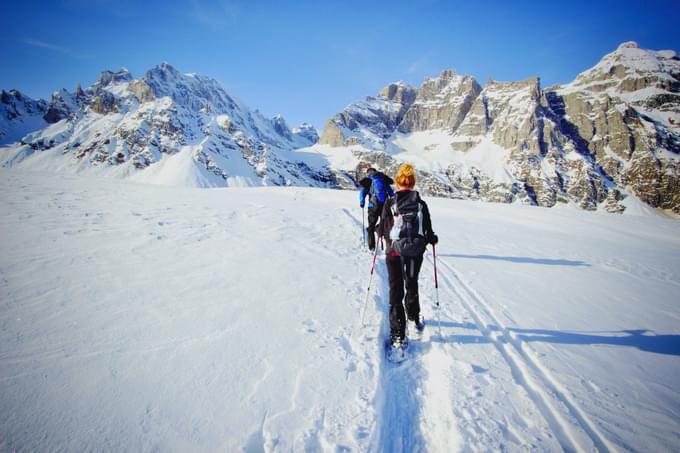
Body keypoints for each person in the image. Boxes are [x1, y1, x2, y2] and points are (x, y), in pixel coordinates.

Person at [378, 163, 438, 354]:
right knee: (411, 283)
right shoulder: (421, 204)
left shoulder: (390, 203)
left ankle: (398, 334)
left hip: (394, 252)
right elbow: (427, 230)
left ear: (397, 182)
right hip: (415, 251)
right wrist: (431, 239)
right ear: (413, 183)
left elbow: (383, 228)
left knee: (395, 289)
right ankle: (413, 316)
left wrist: (380, 233)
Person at [358, 167, 394, 251]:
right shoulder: (383, 179)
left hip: (372, 206)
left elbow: (362, 192)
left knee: (371, 226)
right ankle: (388, 245)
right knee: (386, 225)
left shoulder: (368, 181)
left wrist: (362, 202)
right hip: (384, 206)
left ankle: (372, 247)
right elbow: (391, 193)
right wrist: (393, 202)